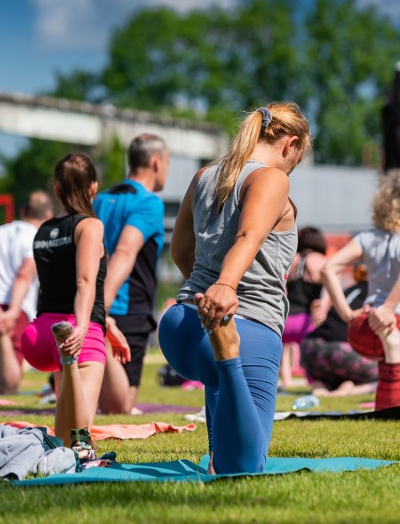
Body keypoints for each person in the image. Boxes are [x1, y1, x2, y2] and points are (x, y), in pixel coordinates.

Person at [158, 102, 311, 475]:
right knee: (247, 464)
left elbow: (179, 250)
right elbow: (248, 236)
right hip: (244, 324)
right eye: (297, 159)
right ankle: (225, 349)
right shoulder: (273, 178)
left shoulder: (205, 175)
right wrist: (225, 286)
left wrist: (205, 288)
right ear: (289, 145)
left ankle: (221, 354)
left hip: (181, 325)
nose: (293, 168)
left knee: (221, 395)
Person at [20, 153, 128, 447]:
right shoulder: (90, 227)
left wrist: (107, 323)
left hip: (40, 335)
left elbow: (58, 285)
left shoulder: (42, 231)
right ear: (94, 187)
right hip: (75, 328)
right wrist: (83, 327)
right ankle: (70, 362)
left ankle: (61, 456)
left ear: (56, 189)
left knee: (63, 435)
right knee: (81, 436)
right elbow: (83, 282)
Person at [322, 169, 400, 410]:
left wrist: (347, 315)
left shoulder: (367, 238)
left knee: (385, 393)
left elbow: (328, 268)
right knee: (398, 402)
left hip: (366, 326)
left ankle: (389, 345)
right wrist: (389, 308)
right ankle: (392, 345)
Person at [93, 133, 169, 414]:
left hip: (97, 300)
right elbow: (125, 251)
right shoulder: (148, 203)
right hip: (125, 308)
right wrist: (99, 311)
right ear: (156, 163)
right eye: (168, 162)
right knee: (121, 406)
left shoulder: (101, 200)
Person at [0, 191, 54, 394]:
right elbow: (24, 274)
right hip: (7, 307)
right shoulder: (36, 237)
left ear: (22, 211)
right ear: (48, 216)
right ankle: (0, 382)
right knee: (9, 386)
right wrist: (13, 311)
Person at [300, 264, 379, 397]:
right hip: (344, 351)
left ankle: (321, 385)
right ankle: (352, 388)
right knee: (385, 373)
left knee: (331, 371)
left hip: (310, 349)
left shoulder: (347, 290)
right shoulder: (375, 295)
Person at [281, 226, 328, 389]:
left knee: (283, 351)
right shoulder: (321, 260)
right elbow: (330, 290)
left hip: (286, 320)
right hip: (306, 322)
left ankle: (286, 381)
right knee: (309, 355)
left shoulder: (291, 259)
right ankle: (313, 382)